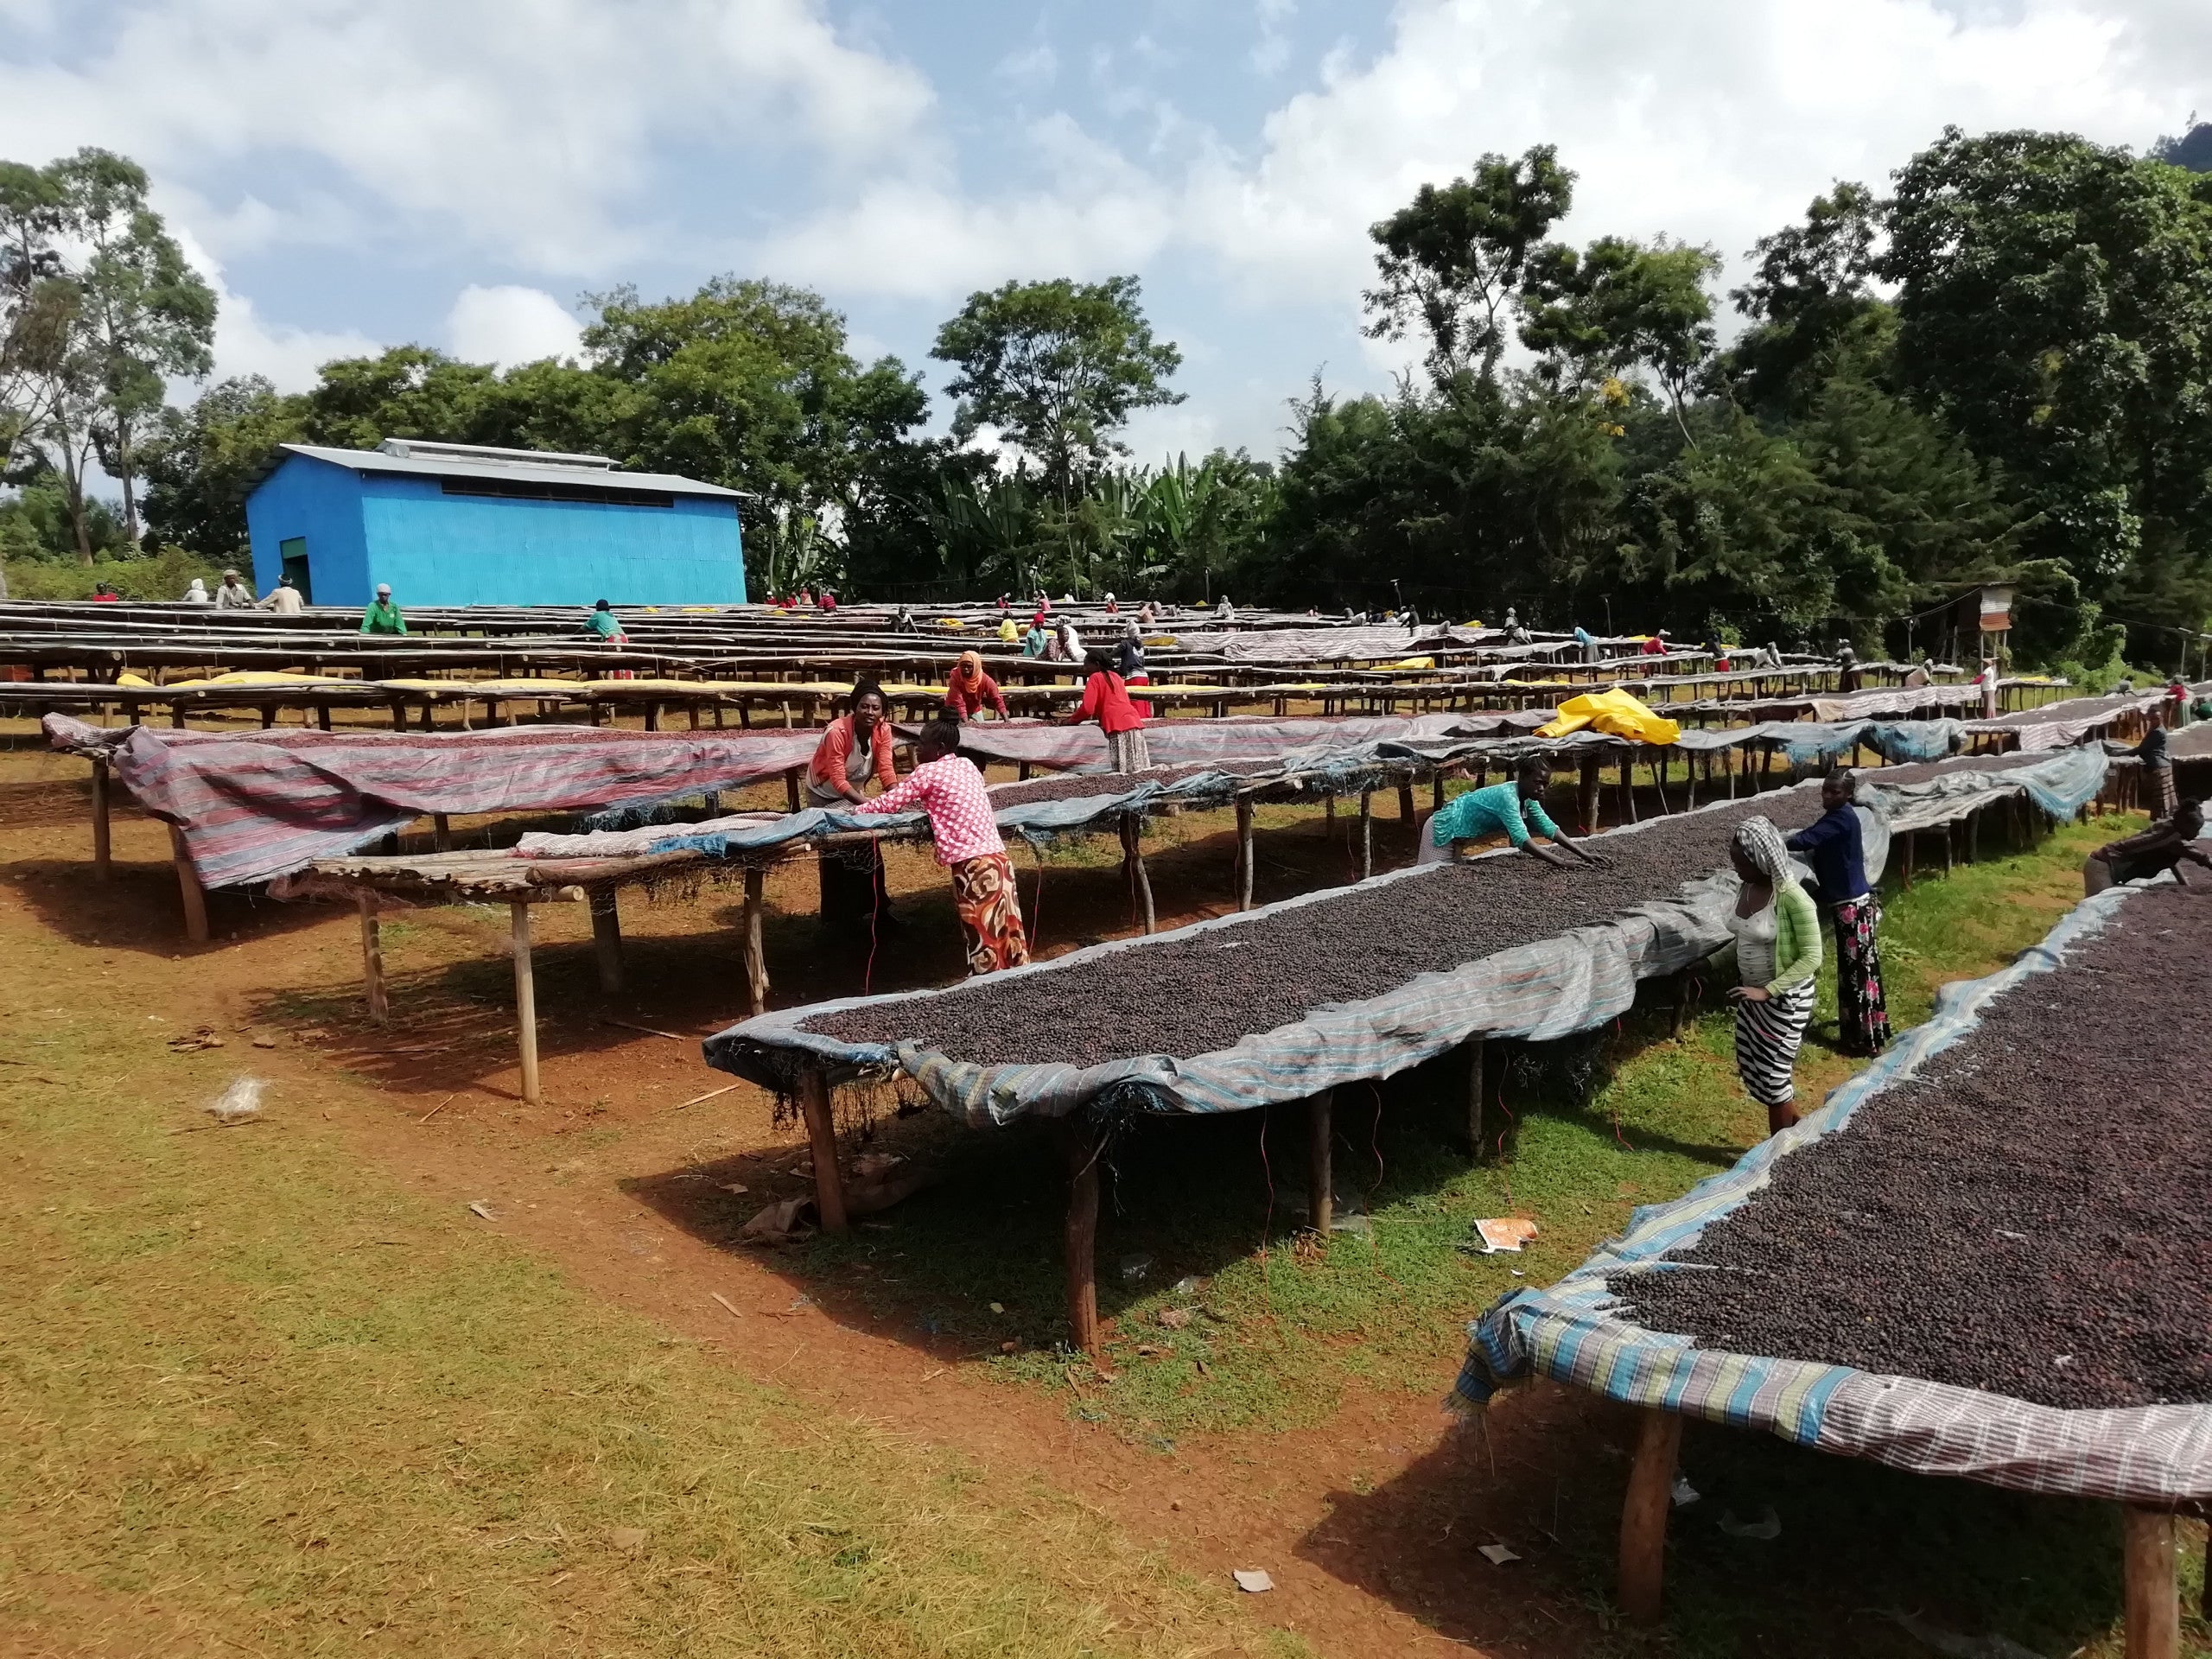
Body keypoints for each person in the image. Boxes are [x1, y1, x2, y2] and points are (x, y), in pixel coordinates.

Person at [850, 713, 1030, 975]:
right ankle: (1017, 976)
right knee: (1008, 924)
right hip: (999, 859)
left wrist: (857, 812)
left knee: (981, 930)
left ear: (940, 749)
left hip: (972, 866)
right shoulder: (968, 766)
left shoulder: (927, 773)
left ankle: (988, 984)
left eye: (922, 744)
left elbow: (890, 802)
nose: (917, 748)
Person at [1726, 816, 1824, 1135]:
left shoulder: (1793, 899)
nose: (1737, 869)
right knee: (1755, 1068)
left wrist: (1768, 991)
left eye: (1743, 863)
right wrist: (1710, 964)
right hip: (1753, 997)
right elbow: (1742, 937)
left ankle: (1779, 1152)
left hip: (1786, 999)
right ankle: (1801, 1131)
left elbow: (1812, 956)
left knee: (1773, 1076)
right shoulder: (1747, 888)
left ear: (1762, 860)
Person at [1786, 769, 1890, 1056]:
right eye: (1825, 789)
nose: (1827, 795)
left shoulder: (1841, 818)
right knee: (1857, 972)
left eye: (1834, 792)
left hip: (1851, 908)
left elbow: (1804, 840)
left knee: (1857, 973)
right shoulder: (1839, 815)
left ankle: (1865, 1042)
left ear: (1847, 795)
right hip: (1853, 904)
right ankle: (1863, 1036)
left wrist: (1772, 840)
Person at [808, 680, 899, 930]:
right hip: (824, 794)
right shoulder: (837, 732)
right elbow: (837, 779)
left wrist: (898, 796)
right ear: (854, 708)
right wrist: (869, 805)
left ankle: (878, 910)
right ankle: (837, 918)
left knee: (869, 844)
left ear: (883, 712)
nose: (870, 712)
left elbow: (886, 768)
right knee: (834, 848)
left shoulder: (884, 731)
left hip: (854, 790)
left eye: (875, 708)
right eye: (864, 707)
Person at [1419, 758, 1604, 868]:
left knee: (1450, 876)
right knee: (1427, 877)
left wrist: (1585, 855)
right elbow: (1522, 840)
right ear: (1522, 777)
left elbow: (1549, 828)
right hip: (1441, 830)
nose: (1541, 788)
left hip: (1459, 838)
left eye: (1544, 785)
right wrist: (1562, 862)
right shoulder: (1508, 796)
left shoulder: (1529, 799)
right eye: (1537, 782)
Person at [2084, 800, 2210, 894]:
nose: (2197, 835)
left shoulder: (2168, 827)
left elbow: (2171, 860)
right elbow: (2200, 857)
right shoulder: (2174, 839)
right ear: (2185, 826)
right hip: (2102, 866)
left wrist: (2185, 884)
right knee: (2101, 903)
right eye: (2196, 830)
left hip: (2102, 864)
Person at [1063, 648, 1150, 772]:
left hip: (1116, 726)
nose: (1084, 669)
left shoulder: (1095, 678)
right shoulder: (1116, 677)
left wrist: (1071, 721)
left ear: (1097, 665)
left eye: (1086, 665)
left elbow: (1087, 709)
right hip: (1133, 722)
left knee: (1122, 770)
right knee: (1137, 768)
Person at [944, 651, 1009, 720]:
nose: (966, 669)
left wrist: (1007, 721)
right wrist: (966, 723)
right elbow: (958, 701)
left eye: (969, 666)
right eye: (963, 666)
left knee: (980, 729)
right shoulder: (955, 677)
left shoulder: (985, 679)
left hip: (974, 710)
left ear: (976, 666)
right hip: (954, 710)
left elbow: (997, 699)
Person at [2135, 719, 2177, 818]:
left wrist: (2120, 754)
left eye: (2156, 719)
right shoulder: (2158, 730)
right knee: (2164, 795)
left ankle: (2160, 817)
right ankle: (2167, 816)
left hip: (2159, 767)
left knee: (2160, 796)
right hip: (2163, 765)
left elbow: (2142, 748)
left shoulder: (2157, 732)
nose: (2154, 721)